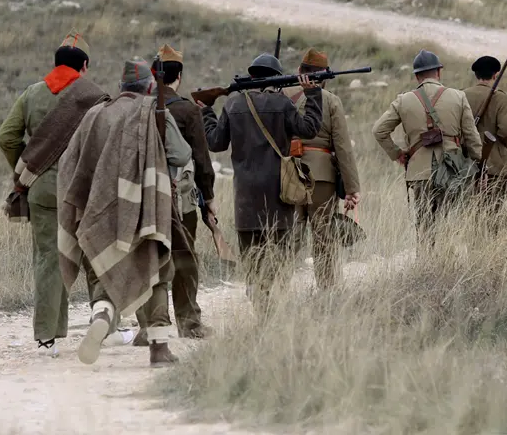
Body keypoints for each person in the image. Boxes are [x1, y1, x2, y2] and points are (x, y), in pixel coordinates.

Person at [0, 33, 126, 355]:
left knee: (48, 260)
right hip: (86, 192)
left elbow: (6, 137)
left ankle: (46, 339)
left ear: (55, 64)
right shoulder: (95, 97)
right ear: (84, 66)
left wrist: (28, 169)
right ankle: (106, 325)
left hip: (44, 192)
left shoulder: (32, 95)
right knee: (97, 256)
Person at [58, 59, 192, 367]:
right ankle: (158, 348)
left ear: (120, 88)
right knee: (156, 269)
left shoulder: (95, 115)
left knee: (103, 266)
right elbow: (181, 154)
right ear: (148, 87)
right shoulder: (154, 113)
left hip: (103, 207)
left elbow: (72, 162)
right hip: (146, 205)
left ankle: (102, 313)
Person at [199, 53, 323, 315]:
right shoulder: (282, 103)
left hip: (245, 197)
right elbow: (310, 128)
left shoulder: (233, 104)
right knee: (278, 257)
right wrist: (312, 95)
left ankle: (259, 300)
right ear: (276, 79)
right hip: (278, 195)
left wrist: (206, 110)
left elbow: (215, 142)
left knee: (252, 259)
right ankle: (268, 305)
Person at [129, 44, 217, 345]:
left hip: (141, 198)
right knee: (184, 258)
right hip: (180, 198)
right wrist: (210, 198)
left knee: (146, 260)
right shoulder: (188, 110)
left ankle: (147, 325)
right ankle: (188, 322)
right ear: (178, 75)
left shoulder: (136, 108)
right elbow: (200, 160)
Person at [372, 50, 481, 250]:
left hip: (420, 172)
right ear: (438, 72)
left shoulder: (403, 100)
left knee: (424, 226)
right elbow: (472, 137)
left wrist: (398, 154)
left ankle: (426, 267)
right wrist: (475, 163)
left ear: (417, 76)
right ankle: (449, 267)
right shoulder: (458, 96)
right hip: (453, 169)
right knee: (453, 224)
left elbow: (379, 130)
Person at [282, 48, 361, 290]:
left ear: (299, 72)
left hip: (289, 174)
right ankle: (328, 290)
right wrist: (351, 188)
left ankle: (277, 286)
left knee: (289, 236)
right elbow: (343, 148)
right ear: (324, 78)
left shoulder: (282, 95)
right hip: (322, 177)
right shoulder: (331, 101)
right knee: (323, 236)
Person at [463, 55, 507, 238]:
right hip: (496, 167)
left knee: (470, 216)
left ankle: (476, 255)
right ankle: (499, 256)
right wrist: (500, 148)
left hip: (466, 167)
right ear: (496, 74)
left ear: (476, 74)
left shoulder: (462, 95)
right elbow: (506, 130)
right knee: (496, 215)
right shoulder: (501, 98)